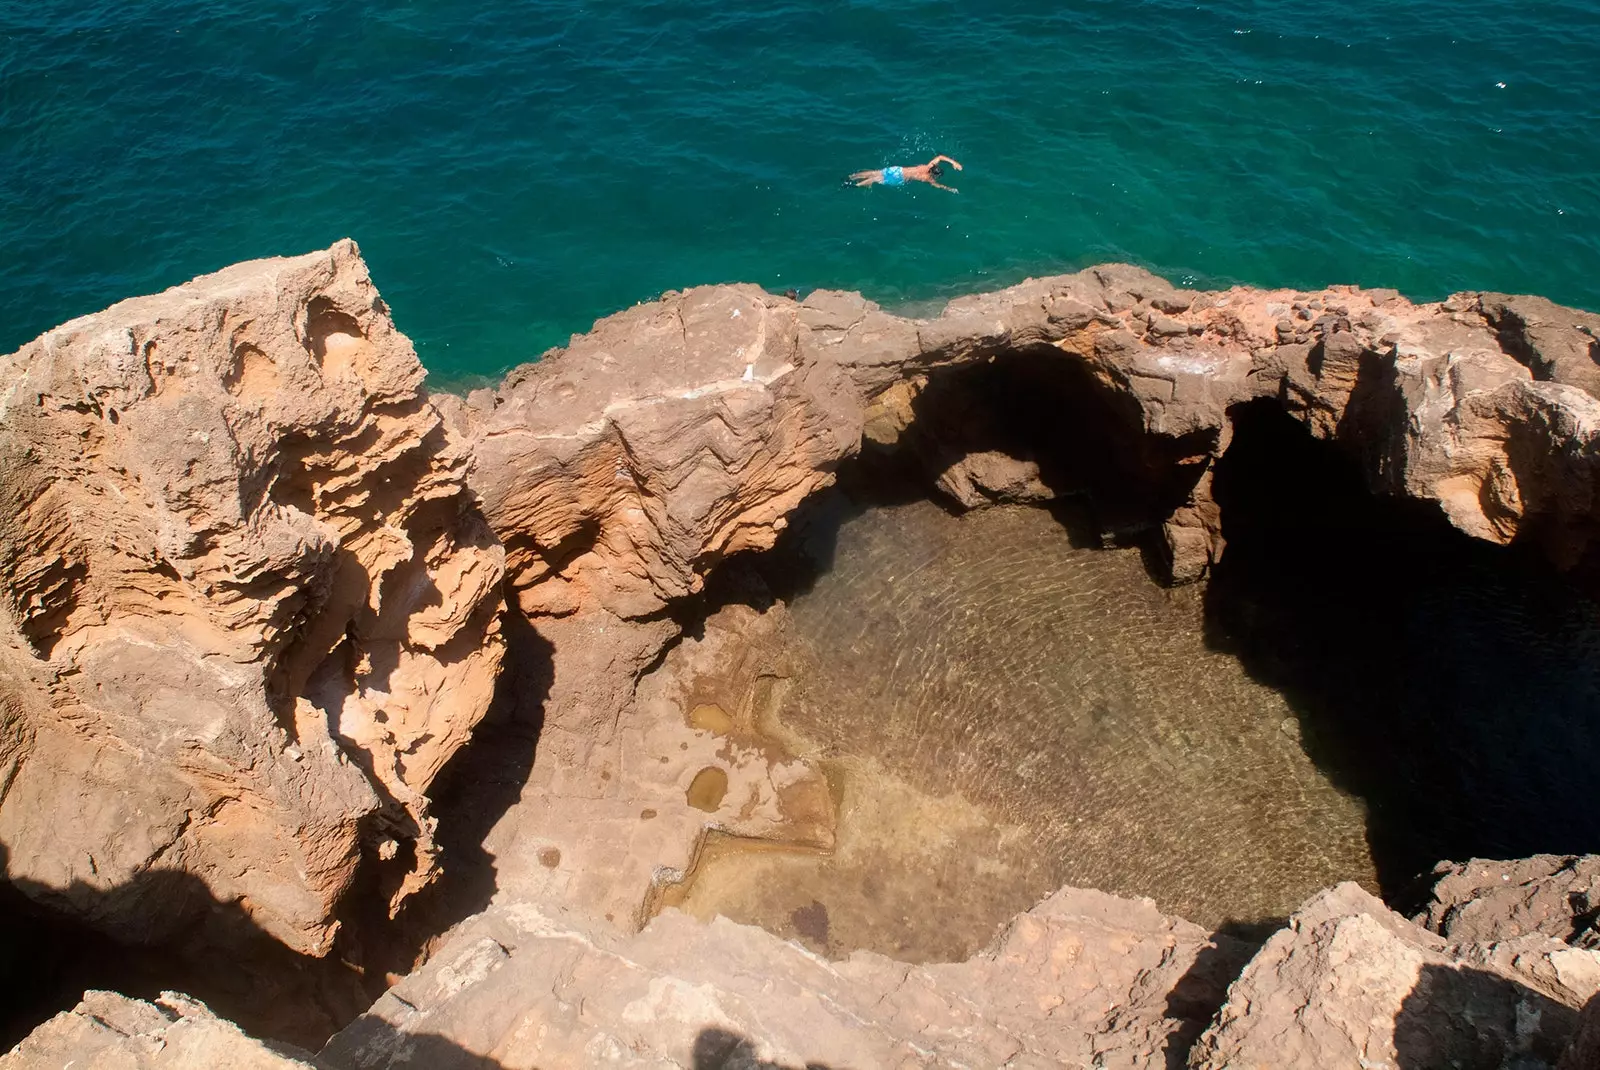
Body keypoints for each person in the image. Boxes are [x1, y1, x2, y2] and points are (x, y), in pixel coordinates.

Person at [850, 155, 963, 192]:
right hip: (898, 177)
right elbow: (936, 185)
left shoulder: (928, 166)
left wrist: (954, 163)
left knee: (876, 173)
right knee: (875, 179)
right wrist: (949, 189)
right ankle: (855, 185)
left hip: (898, 170)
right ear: (934, 174)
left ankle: (853, 176)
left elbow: (940, 157)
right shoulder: (927, 178)